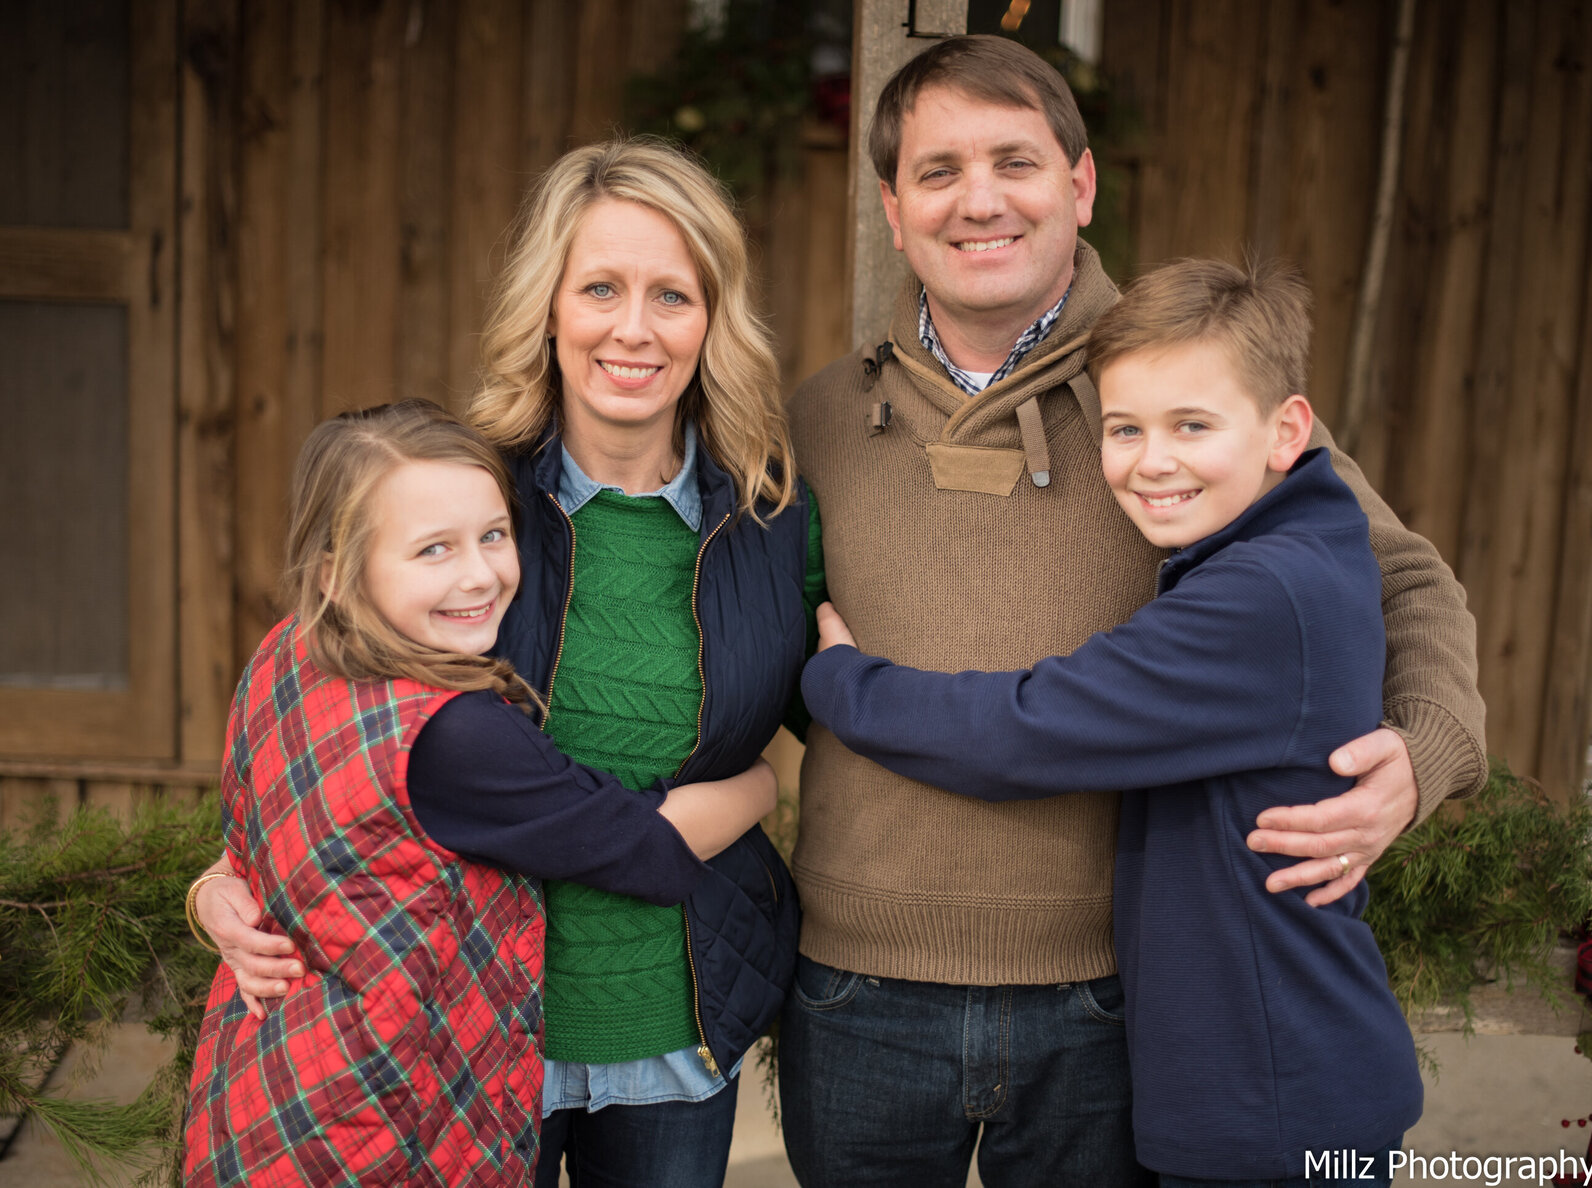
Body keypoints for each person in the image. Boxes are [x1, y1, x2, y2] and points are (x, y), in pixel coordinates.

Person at [780, 34, 1484, 1188]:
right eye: (938, 170)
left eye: (1014, 160)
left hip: (1108, 997)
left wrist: (1422, 750)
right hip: (858, 983)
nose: (980, 200)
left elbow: (1401, 577)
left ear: (1080, 183)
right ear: (893, 210)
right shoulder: (819, 418)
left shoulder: (1181, 390)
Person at [193, 138, 825, 1188]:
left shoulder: (770, 519)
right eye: (600, 288)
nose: (634, 327)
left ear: (712, 317)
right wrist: (227, 875)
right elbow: (325, 725)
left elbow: (844, 708)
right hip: (465, 1041)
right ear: (549, 306)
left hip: (675, 1028)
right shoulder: (458, 504)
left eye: (672, 293)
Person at [182, 400, 779, 1186]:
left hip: (279, 1095)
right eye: (433, 550)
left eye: (494, 535)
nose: (479, 574)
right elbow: (647, 847)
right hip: (392, 1127)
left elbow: (263, 836)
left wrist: (213, 893)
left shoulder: (288, 653)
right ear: (336, 572)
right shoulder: (453, 737)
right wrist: (766, 781)